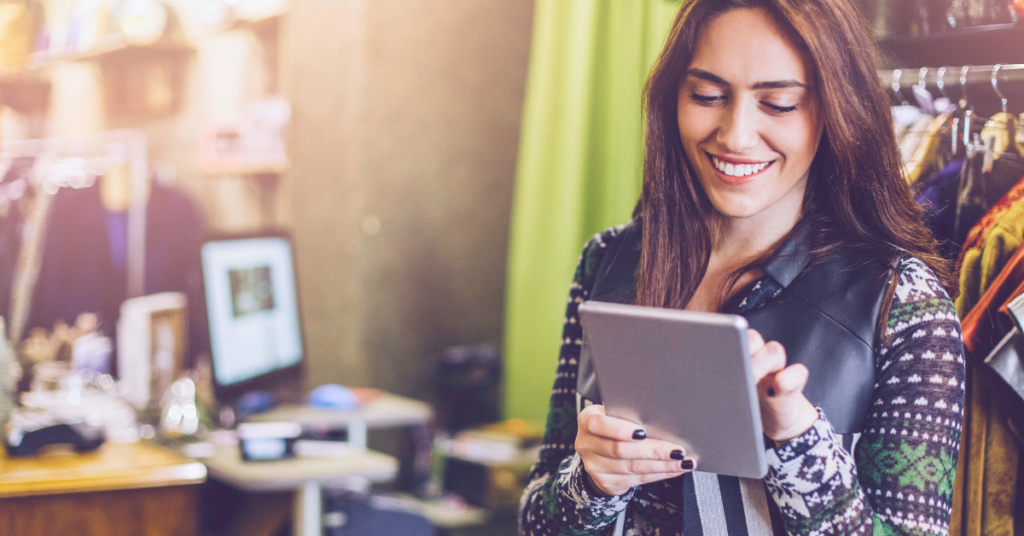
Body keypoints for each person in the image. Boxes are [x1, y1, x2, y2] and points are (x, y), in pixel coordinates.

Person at [518, 1, 965, 535]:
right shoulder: (608, 261)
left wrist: (798, 443)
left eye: (777, 104)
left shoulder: (904, 304)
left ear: (836, 110)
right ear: (672, 99)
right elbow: (534, 520)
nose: (735, 134)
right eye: (707, 96)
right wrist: (591, 484)